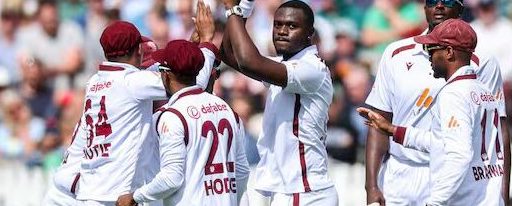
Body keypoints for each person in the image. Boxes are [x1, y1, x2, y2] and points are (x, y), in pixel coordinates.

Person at [44, 19, 218, 205]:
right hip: (114, 197)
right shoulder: (132, 83)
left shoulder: (94, 83)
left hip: (92, 193)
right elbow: (189, 84)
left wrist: (190, 48)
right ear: (138, 50)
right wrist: (207, 43)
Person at [364, 0, 510, 205]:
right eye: (432, 1)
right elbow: (381, 123)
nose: (439, 6)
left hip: (452, 177)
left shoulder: (481, 63)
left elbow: (495, 133)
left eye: (448, 0)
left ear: (461, 9)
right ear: (424, 8)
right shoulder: (395, 53)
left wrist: (503, 194)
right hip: (399, 175)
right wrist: (371, 187)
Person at [115, 3, 249, 205]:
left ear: (166, 74)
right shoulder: (228, 110)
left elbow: (171, 178)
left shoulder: (170, 116)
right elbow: (241, 172)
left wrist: (134, 197)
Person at [221, 0, 338, 205]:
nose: (282, 31)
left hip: (305, 192)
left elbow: (249, 61)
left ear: (310, 33)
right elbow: (229, 53)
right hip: (292, 191)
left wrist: (233, 10)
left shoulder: (311, 69)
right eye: (278, 24)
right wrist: (244, 6)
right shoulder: (285, 65)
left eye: (292, 26)